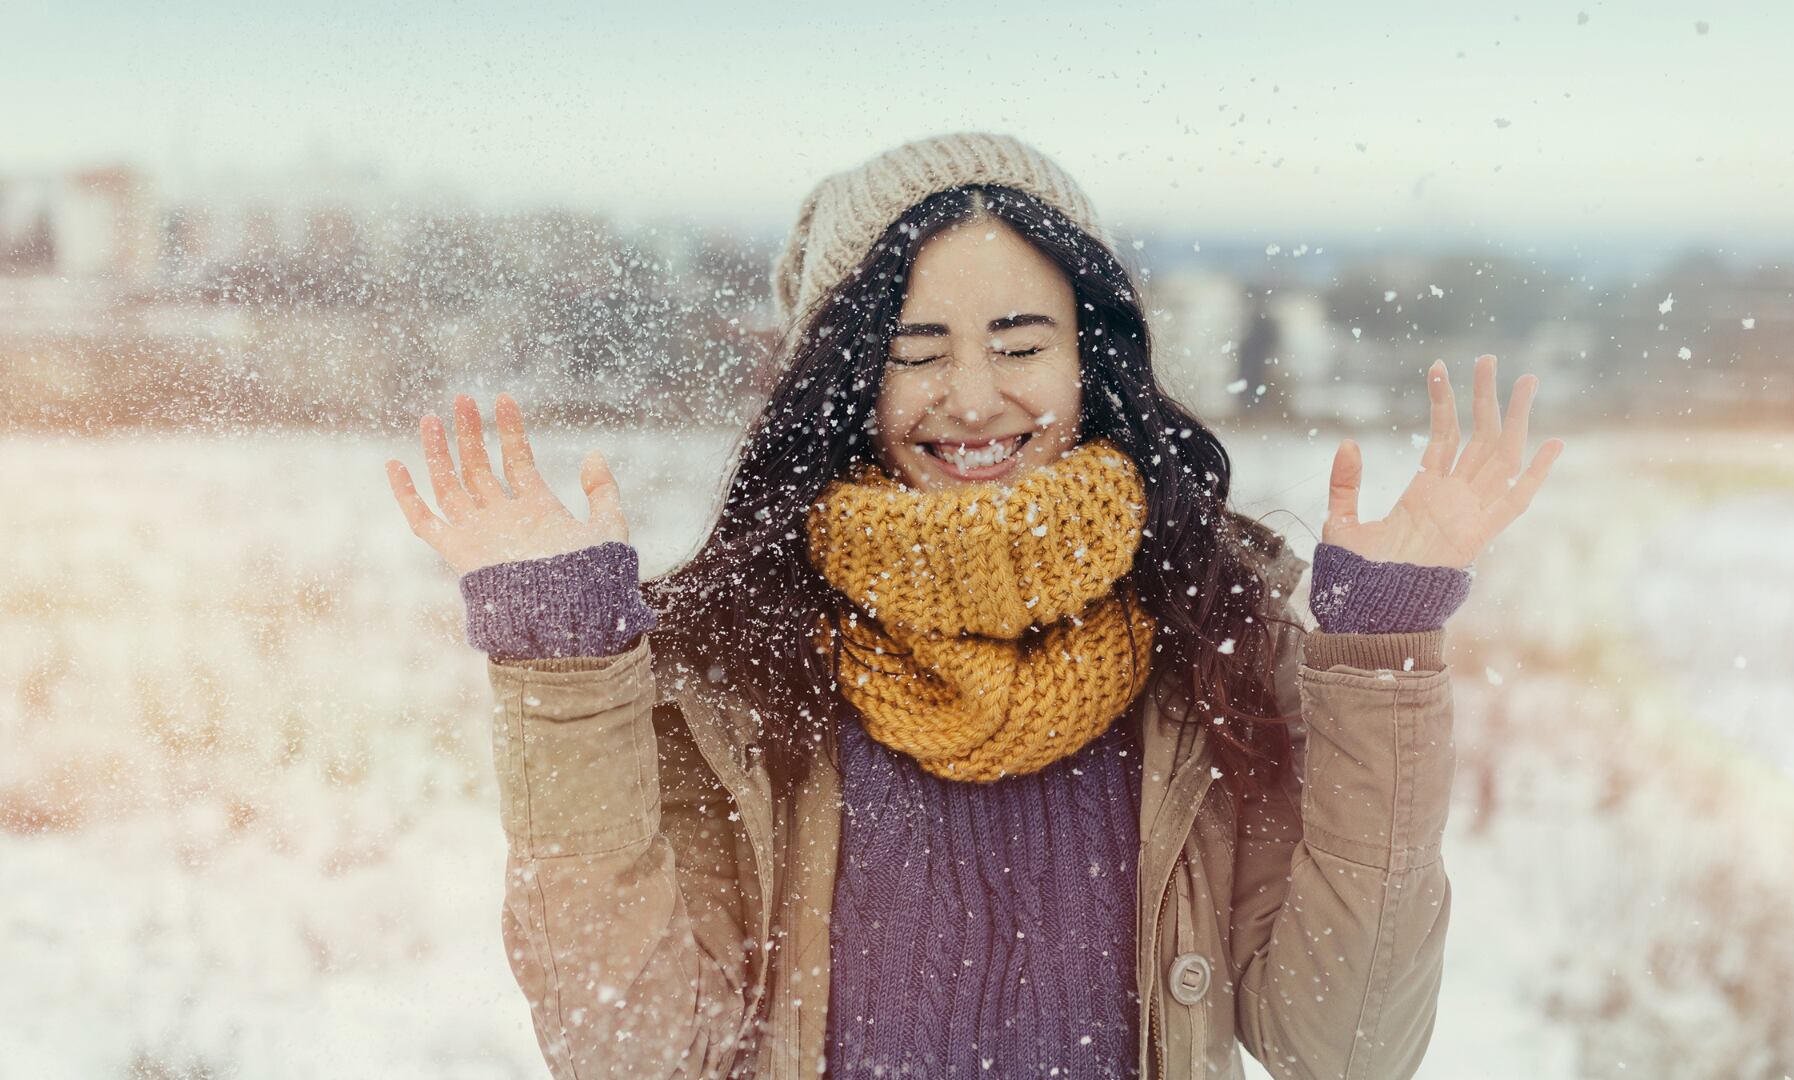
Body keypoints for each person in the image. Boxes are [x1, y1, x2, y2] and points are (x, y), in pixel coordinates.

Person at [384, 131, 1561, 1079]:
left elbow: (1346, 1046)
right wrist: (560, 667)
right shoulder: (736, 661)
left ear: (1091, 360)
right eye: (916, 349)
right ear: (846, 379)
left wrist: (1386, 653)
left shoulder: (1216, 635)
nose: (975, 399)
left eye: (1020, 342)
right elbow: (632, 1052)